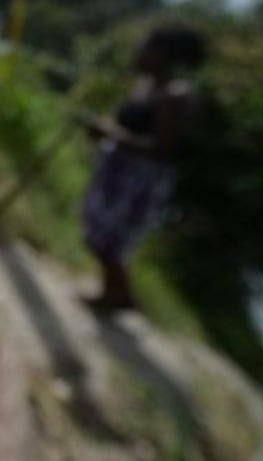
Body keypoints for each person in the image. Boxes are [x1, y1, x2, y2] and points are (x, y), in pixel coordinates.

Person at [80, 23, 207, 311]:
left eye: (147, 46)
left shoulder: (176, 94)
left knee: (111, 238)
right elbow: (128, 124)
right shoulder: (146, 84)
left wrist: (111, 134)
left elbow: (162, 147)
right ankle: (115, 293)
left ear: (165, 53)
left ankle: (118, 295)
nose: (140, 51)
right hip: (117, 171)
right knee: (98, 231)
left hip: (140, 181)